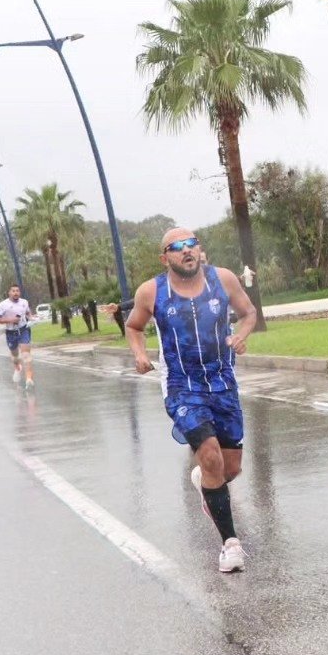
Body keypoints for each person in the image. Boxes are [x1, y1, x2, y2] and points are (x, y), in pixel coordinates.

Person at [123, 227, 257, 573]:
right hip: (182, 385)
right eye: (177, 246)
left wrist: (241, 336)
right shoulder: (152, 291)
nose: (186, 250)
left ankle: (206, 481)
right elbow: (133, 326)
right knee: (210, 455)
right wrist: (139, 354)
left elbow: (248, 312)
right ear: (164, 257)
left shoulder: (223, 279)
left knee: (230, 468)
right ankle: (230, 545)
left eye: (191, 244)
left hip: (223, 383)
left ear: (200, 249)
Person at [0, 285, 35, 390]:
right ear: (9, 293)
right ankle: (17, 368)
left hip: (23, 330)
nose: (16, 293)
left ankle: (29, 379)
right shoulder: (3, 305)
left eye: (17, 291)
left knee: (26, 355)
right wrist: (11, 320)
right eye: (13, 291)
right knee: (15, 356)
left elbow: (28, 312)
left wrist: (31, 318)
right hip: (11, 332)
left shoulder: (24, 302)